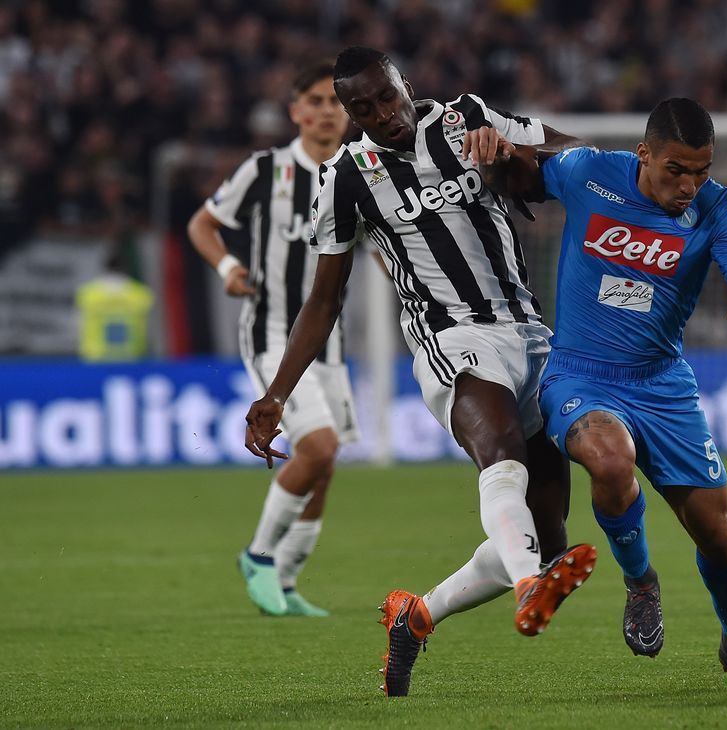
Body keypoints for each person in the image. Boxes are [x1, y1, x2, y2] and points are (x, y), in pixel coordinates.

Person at [243, 46, 596, 697]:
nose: (382, 114)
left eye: (386, 96)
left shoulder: (467, 118)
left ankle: (418, 615)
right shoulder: (345, 177)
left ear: (405, 83)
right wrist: (276, 393)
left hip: (533, 335)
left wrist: (515, 156)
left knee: (546, 538)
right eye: (363, 108)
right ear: (349, 114)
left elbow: (581, 160)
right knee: (502, 455)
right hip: (451, 338)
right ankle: (527, 589)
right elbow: (324, 300)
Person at [481, 98, 727, 688]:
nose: (690, 184)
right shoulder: (590, 171)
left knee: (720, 539)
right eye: (677, 170)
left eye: (701, 170)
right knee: (611, 460)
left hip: (663, 384)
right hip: (580, 373)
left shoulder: (718, 208)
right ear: (644, 155)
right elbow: (524, 172)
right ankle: (641, 581)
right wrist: (496, 150)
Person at [188, 62, 355, 618]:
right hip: (272, 334)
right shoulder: (265, 170)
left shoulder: (364, 172)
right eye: (315, 100)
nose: (327, 110)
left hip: (328, 344)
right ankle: (259, 555)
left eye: (336, 101)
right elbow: (201, 226)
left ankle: (283, 583)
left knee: (325, 465)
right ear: (296, 112)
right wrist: (229, 269)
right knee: (319, 447)